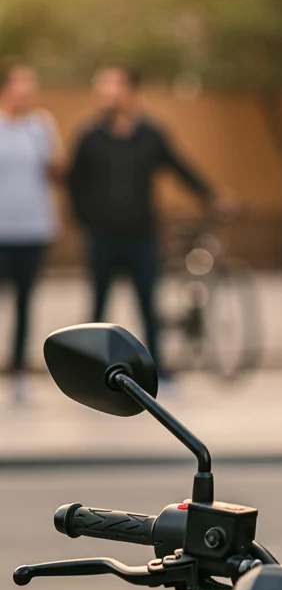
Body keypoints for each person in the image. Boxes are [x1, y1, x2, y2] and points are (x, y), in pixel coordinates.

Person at [68, 66, 229, 377]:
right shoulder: (89, 137)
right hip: (102, 237)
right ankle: (92, 370)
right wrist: (84, 220)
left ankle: (153, 367)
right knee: (98, 307)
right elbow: (74, 183)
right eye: (103, 89)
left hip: (141, 235)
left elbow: (179, 166)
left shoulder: (150, 135)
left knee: (148, 304)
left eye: (114, 87)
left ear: (129, 91)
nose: (108, 95)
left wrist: (211, 195)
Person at [0, 60, 64, 404]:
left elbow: (56, 169)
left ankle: (20, 373)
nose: (27, 90)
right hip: (1, 231)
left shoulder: (40, 125)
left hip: (34, 229)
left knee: (25, 303)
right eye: (21, 83)